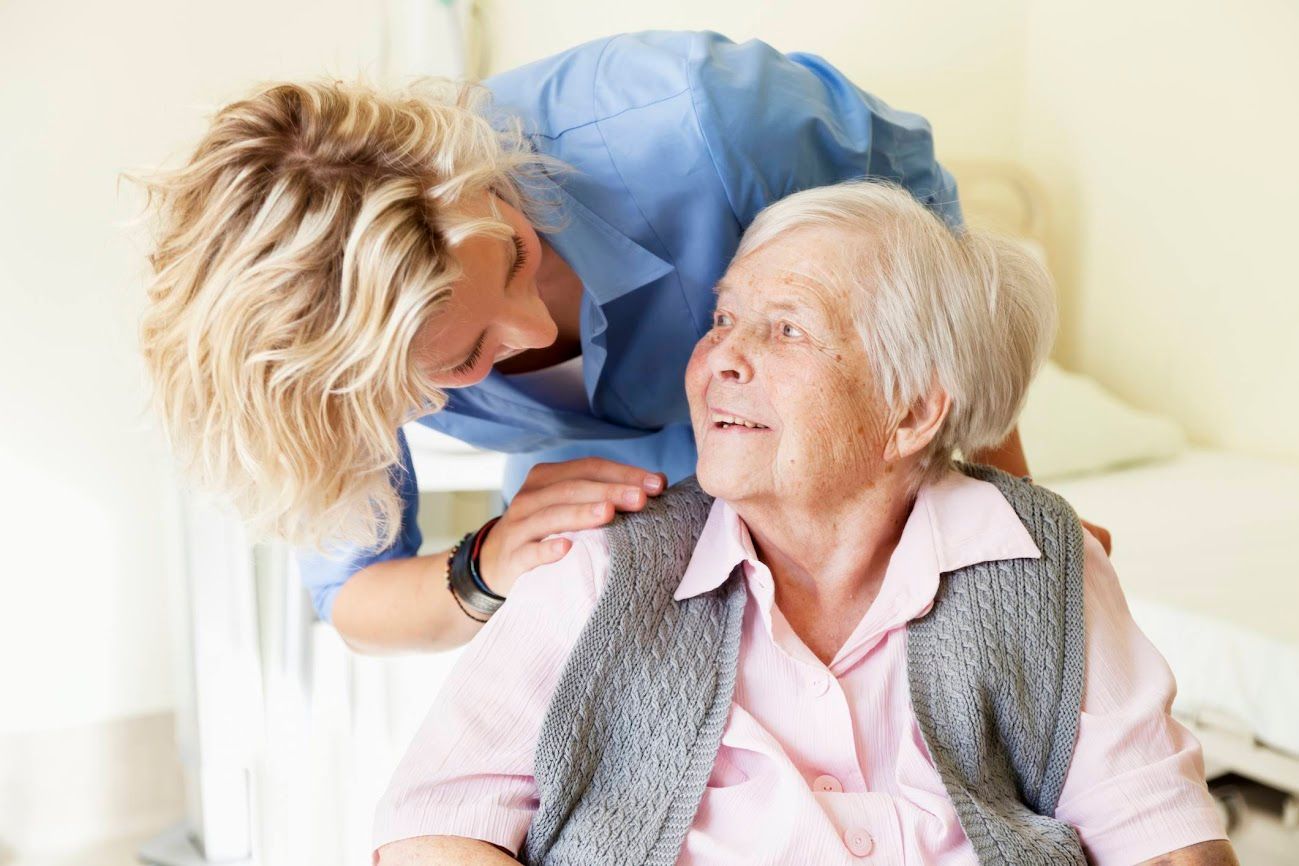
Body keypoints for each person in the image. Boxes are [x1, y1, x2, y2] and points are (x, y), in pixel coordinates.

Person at [134, 30, 1106, 654]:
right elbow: (354, 599)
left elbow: (941, 283)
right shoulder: (337, 358)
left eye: (514, 259)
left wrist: (1012, 505)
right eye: (464, 363)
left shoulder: (704, 123)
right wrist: (486, 564)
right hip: (613, 525)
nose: (526, 338)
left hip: (825, 468)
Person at [371, 182, 1233, 866]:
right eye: (721, 319)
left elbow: (1161, 837)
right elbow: (432, 829)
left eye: (785, 329)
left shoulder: (1044, 564)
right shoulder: (596, 568)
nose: (720, 360)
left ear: (910, 413)